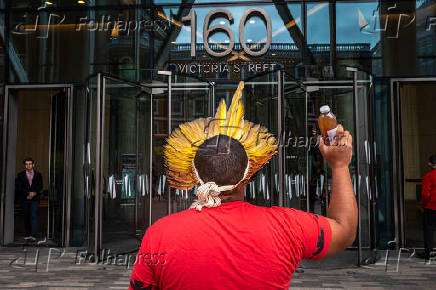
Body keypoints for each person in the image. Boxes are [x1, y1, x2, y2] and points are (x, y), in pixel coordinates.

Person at [129, 82, 357, 289]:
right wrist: (339, 165)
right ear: (247, 177)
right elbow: (344, 231)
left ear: (195, 176)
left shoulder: (159, 235)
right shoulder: (288, 226)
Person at [15, 158, 43, 242]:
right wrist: (28, 194)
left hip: (35, 198)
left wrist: (34, 193)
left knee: (33, 215)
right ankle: (28, 234)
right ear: (25, 165)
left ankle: (33, 235)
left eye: (30, 164)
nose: (28, 165)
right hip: (25, 199)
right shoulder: (20, 175)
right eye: (26, 164)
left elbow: (40, 186)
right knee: (26, 216)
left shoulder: (38, 174)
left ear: (33, 165)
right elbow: (19, 187)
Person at [422, 154, 436, 260]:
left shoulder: (428, 176)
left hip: (431, 206)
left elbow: (426, 194)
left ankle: (429, 252)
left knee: (429, 230)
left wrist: (423, 205)